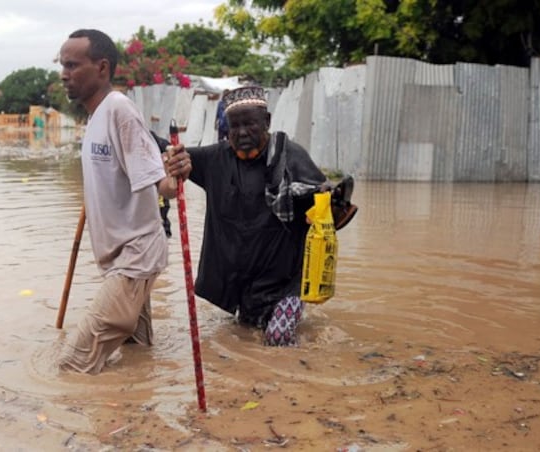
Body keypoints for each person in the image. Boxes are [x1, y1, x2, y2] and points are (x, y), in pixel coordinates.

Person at [164, 85, 357, 346]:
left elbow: (329, 215)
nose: (242, 132)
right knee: (242, 340)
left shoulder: (292, 156)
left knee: (277, 338)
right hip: (244, 284)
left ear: (266, 121)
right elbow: (166, 149)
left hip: (287, 282)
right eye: (235, 126)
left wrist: (329, 204)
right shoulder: (217, 159)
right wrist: (174, 158)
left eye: (250, 124)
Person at [55, 29, 180, 374]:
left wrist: (176, 175)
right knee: (138, 358)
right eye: (62, 65)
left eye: (72, 65)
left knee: (71, 367)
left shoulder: (119, 110)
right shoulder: (95, 117)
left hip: (135, 257)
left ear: (102, 68)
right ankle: (137, 418)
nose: (64, 74)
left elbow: (162, 187)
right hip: (121, 258)